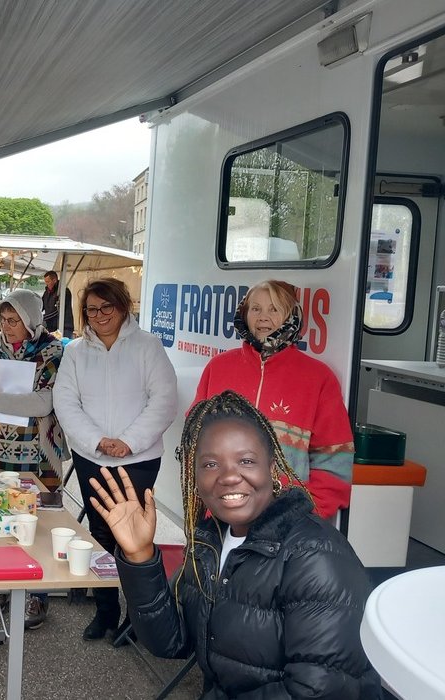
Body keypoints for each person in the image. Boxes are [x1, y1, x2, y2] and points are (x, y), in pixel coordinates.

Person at [91, 390, 382, 699]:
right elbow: (170, 641)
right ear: (195, 475)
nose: (229, 476)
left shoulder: (316, 557)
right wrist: (140, 557)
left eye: (245, 460)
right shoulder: (210, 541)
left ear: (272, 468)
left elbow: (318, 691)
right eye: (211, 464)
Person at [53, 277, 177, 641]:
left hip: (137, 461)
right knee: (100, 535)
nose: (100, 315)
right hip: (92, 458)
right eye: (92, 309)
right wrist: (97, 441)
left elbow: (164, 400)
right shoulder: (75, 351)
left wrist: (128, 442)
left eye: (107, 307)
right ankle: (106, 610)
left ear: (123, 307)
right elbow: (65, 402)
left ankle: (142, 617)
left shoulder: (147, 346)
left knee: (135, 539)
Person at [192, 280, 354, 520]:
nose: (263, 317)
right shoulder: (218, 367)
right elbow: (194, 442)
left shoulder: (318, 377)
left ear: (291, 316)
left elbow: (335, 459)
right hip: (219, 515)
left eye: (274, 309)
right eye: (255, 309)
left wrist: (307, 514)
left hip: (287, 523)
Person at [0, 289, 68, 629]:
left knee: (34, 522)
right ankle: (2, 586)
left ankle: (37, 595)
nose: (7, 327)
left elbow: (45, 403)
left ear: (32, 320)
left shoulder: (51, 351)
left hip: (36, 453)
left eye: (15, 321)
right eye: (4, 320)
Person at [41, 270, 73, 337]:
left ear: (54, 280)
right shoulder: (46, 292)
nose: (46, 284)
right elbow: (41, 305)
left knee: (62, 346)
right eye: (45, 282)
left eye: (48, 282)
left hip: (64, 327)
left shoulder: (64, 291)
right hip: (51, 326)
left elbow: (57, 311)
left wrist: (44, 317)